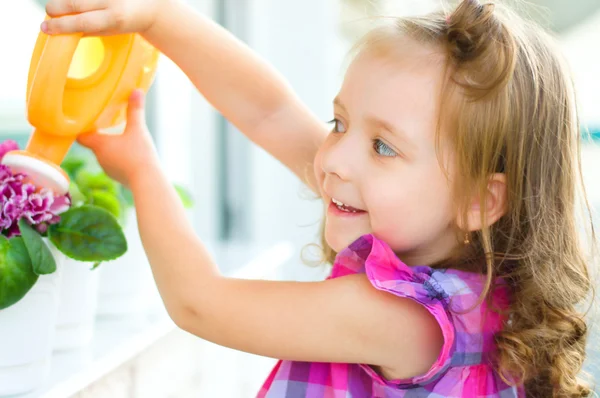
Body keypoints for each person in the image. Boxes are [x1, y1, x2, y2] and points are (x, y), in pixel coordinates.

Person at [41, 0, 595, 396]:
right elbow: (270, 112)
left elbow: (199, 303)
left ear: (479, 200)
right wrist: (159, 17)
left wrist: (142, 169)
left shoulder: (404, 318)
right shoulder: (471, 277)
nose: (332, 159)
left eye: (382, 145)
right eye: (339, 122)